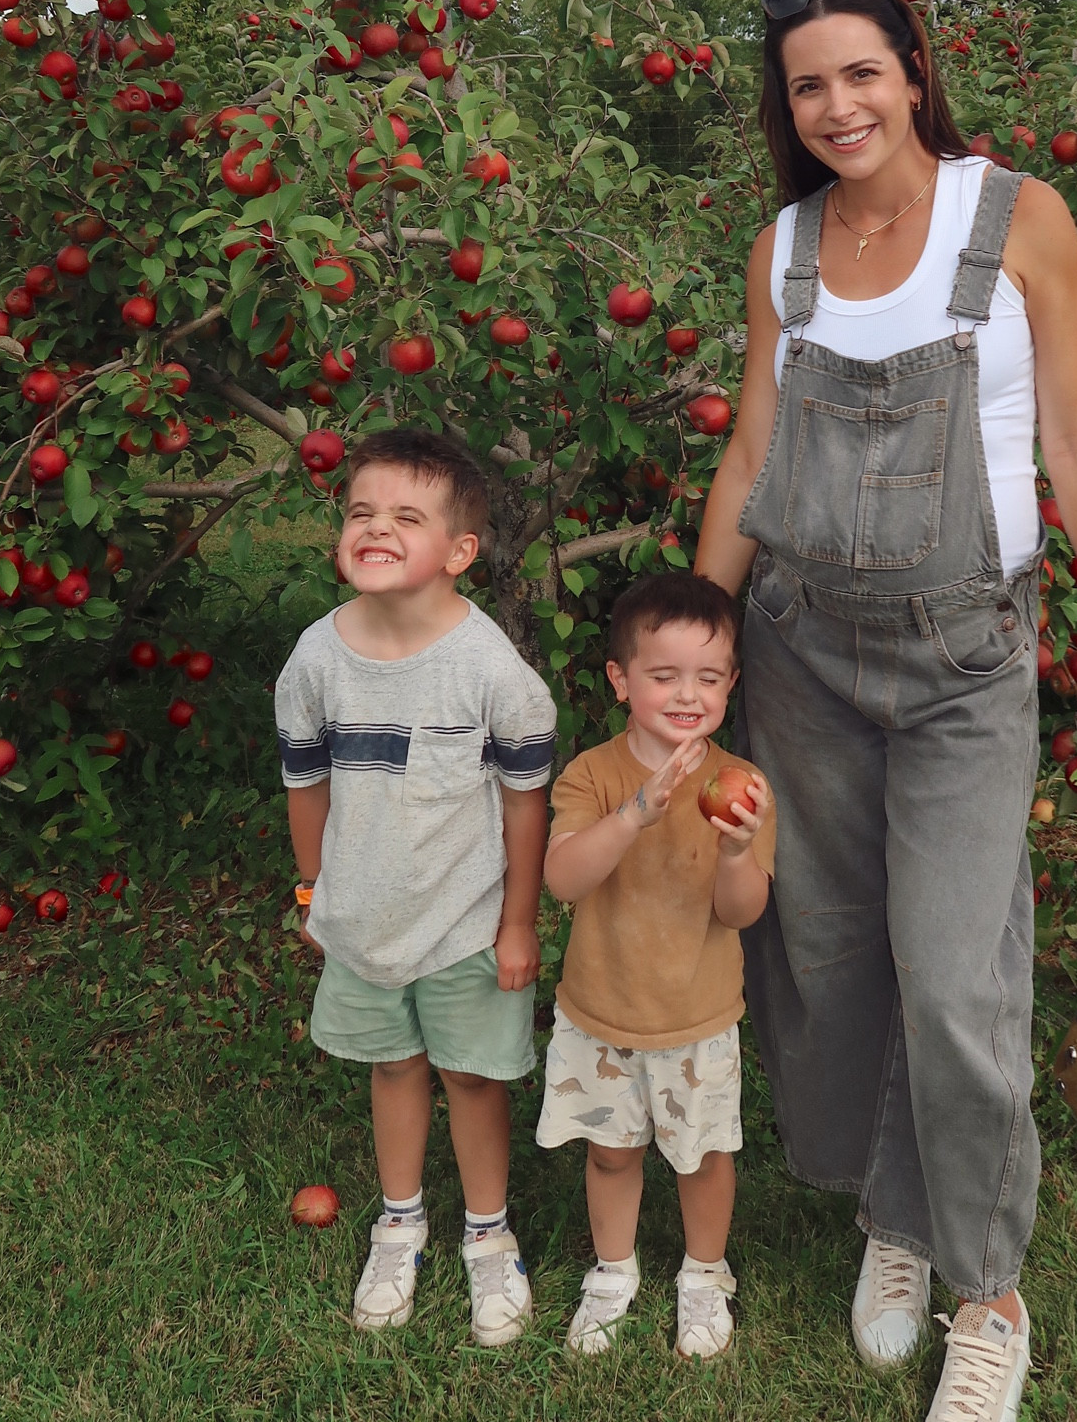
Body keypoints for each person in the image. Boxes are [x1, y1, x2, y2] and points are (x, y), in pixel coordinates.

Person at [695, 0, 1077, 1422]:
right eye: (806, 86)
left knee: (957, 975)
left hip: (966, 657)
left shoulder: (1014, 218)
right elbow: (751, 450)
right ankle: (891, 1218)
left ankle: (988, 1297)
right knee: (831, 954)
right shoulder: (782, 248)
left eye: (860, 73)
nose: (836, 107)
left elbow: (1075, 437)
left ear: (912, 70)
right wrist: (701, 651)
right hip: (800, 655)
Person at [275, 427, 557, 1344]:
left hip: (466, 922)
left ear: (459, 551)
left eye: (406, 517)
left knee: (472, 1078)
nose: (376, 528)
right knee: (393, 1066)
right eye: (361, 512)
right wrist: (313, 892)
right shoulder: (315, 661)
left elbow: (525, 807)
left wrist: (518, 925)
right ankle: (399, 1222)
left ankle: (488, 1234)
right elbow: (306, 784)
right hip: (362, 919)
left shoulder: (492, 674)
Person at [538, 572, 775, 1360]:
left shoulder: (743, 788)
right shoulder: (592, 775)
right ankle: (613, 1270)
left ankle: (704, 1274)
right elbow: (563, 879)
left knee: (703, 1156)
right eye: (664, 675)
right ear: (620, 679)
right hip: (600, 1013)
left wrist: (736, 851)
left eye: (707, 677)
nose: (686, 694)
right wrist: (635, 812)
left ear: (730, 684)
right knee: (610, 1153)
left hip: (697, 1017)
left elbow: (741, 912)